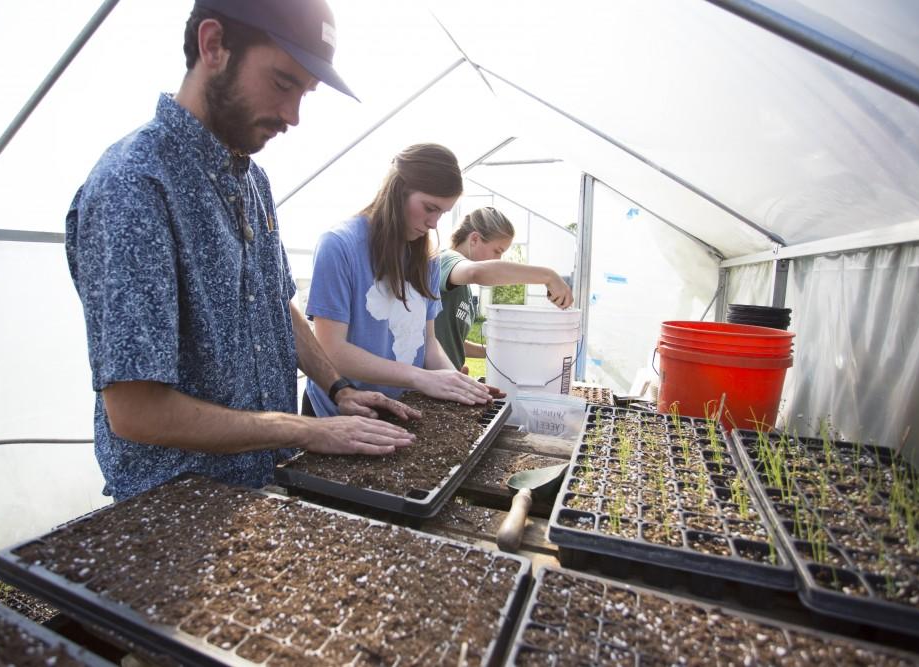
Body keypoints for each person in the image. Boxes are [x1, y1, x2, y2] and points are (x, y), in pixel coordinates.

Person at [65, 0, 421, 502]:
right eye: (282, 83)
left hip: (261, 488)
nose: (293, 115)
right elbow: (136, 411)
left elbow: (277, 306)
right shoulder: (134, 186)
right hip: (175, 509)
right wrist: (304, 430)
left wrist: (339, 388)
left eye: (305, 92)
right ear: (214, 45)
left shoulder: (252, 179)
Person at [304, 143, 498, 417]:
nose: (433, 223)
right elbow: (331, 350)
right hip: (341, 414)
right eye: (429, 208)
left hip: (399, 409)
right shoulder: (339, 246)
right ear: (398, 189)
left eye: (442, 212)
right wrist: (418, 378)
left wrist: (458, 382)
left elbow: (428, 343)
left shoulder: (427, 258)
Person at [435, 207, 575, 372]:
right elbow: (477, 272)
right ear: (474, 239)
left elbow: (451, 341)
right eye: (497, 251)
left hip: (447, 384)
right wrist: (548, 276)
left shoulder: (463, 289)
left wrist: (494, 351)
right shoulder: (445, 259)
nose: (498, 259)